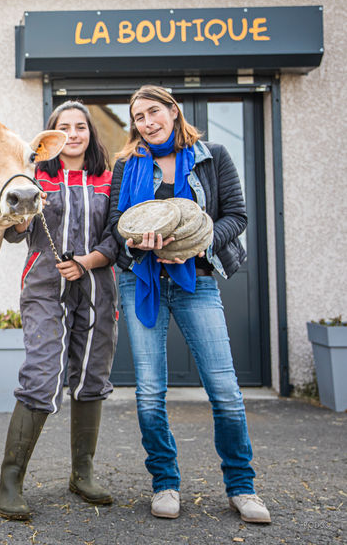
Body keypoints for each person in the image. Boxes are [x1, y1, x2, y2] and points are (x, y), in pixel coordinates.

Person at [107, 85, 270, 524]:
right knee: (149, 392)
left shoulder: (212, 156)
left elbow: (236, 216)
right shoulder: (127, 164)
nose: (147, 123)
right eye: (138, 117)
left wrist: (199, 245)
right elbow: (115, 224)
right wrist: (135, 243)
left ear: (173, 110)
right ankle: (164, 483)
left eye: (153, 112)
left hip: (196, 281)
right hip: (141, 282)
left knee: (225, 390)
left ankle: (242, 487)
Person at [0, 100, 118, 521]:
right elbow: (15, 233)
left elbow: (117, 236)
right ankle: (9, 482)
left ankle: (83, 474)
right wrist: (22, 215)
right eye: (64, 127)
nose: (73, 134)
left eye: (80, 126)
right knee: (42, 374)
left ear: (90, 133)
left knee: (91, 378)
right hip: (45, 289)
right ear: (52, 135)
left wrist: (87, 262)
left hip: (98, 290)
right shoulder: (35, 177)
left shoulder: (108, 179)